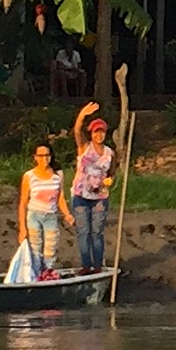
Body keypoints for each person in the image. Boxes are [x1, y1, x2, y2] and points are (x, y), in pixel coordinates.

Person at [69, 107, 115, 274]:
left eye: (102, 131)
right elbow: (77, 130)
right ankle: (86, 265)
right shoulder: (84, 147)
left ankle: (97, 266)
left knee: (97, 232)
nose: (99, 135)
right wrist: (82, 115)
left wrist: (111, 180)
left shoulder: (110, 153)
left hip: (100, 197)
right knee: (83, 231)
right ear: (91, 134)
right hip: (80, 196)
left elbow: (112, 173)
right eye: (96, 132)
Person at [17, 142, 67, 275]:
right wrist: (22, 228)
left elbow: (60, 197)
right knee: (35, 249)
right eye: (41, 155)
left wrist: (67, 214)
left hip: (51, 216)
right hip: (34, 215)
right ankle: (36, 274)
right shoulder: (29, 176)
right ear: (35, 157)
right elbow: (23, 203)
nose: (44, 159)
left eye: (47, 155)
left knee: (51, 249)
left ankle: (46, 273)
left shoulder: (58, 175)